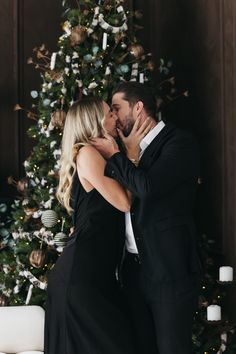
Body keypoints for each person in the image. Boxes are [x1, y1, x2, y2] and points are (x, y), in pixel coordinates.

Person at [91, 82, 202, 354]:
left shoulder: (179, 142)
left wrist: (119, 156)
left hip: (169, 270)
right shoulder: (125, 150)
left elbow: (148, 188)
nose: (114, 117)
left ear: (138, 107)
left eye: (117, 109)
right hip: (133, 272)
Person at [44, 96, 151, 354]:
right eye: (108, 114)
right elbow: (124, 202)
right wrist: (133, 154)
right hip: (81, 279)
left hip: (94, 277)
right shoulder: (88, 153)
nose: (115, 117)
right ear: (95, 122)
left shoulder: (96, 156)